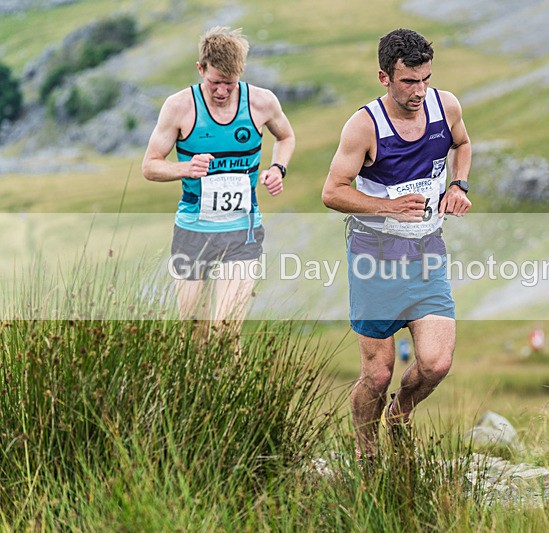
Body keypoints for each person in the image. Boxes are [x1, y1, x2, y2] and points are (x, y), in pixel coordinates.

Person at [322, 28, 472, 460]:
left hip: (426, 251)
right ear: (384, 77)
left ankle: (399, 415)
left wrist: (458, 185)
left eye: (425, 78)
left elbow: (462, 144)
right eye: (409, 81)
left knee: (436, 363)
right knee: (377, 374)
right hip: (375, 257)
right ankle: (366, 451)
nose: (419, 91)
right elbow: (333, 192)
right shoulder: (364, 126)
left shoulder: (446, 106)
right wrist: (385, 206)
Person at [142, 26, 295, 343]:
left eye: (229, 83)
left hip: (243, 231)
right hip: (193, 230)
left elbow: (286, 136)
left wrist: (278, 168)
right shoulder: (179, 107)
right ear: (200, 70)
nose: (222, 91)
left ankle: (234, 392)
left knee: (226, 333)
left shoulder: (261, 102)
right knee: (194, 336)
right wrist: (186, 168)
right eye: (214, 82)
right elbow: (150, 167)